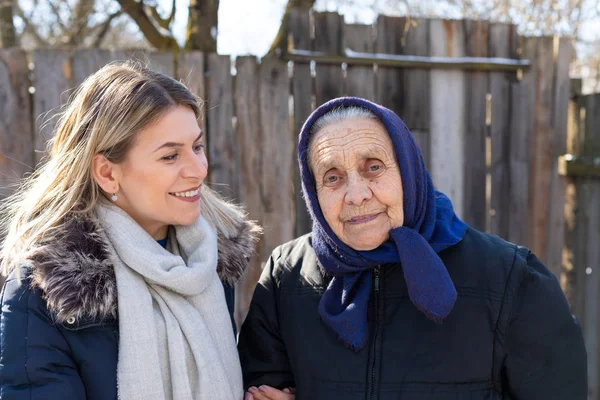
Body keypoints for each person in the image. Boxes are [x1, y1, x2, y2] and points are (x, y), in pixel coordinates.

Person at [238, 96, 587, 400]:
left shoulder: (512, 278)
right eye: (332, 177)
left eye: (373, 168)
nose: (356, 194)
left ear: (408, 170)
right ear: (314, 193)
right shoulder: (285, 277)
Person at [0, 61, 260, 400]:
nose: (198, 169)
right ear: (107, 173)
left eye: (197, 147)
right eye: (170, 156)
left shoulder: (208, 262)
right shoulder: (43, 292)